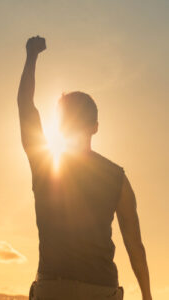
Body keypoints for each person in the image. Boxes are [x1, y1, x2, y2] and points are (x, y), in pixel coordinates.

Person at [17, 36, 153, 300]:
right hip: (100, 290)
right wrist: (147, 295)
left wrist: (31, 56)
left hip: (52, 288)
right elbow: (134, 244)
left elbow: (25, 107)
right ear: (96, 127)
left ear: (60, 126)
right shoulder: (117, 178)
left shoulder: (44, 163)